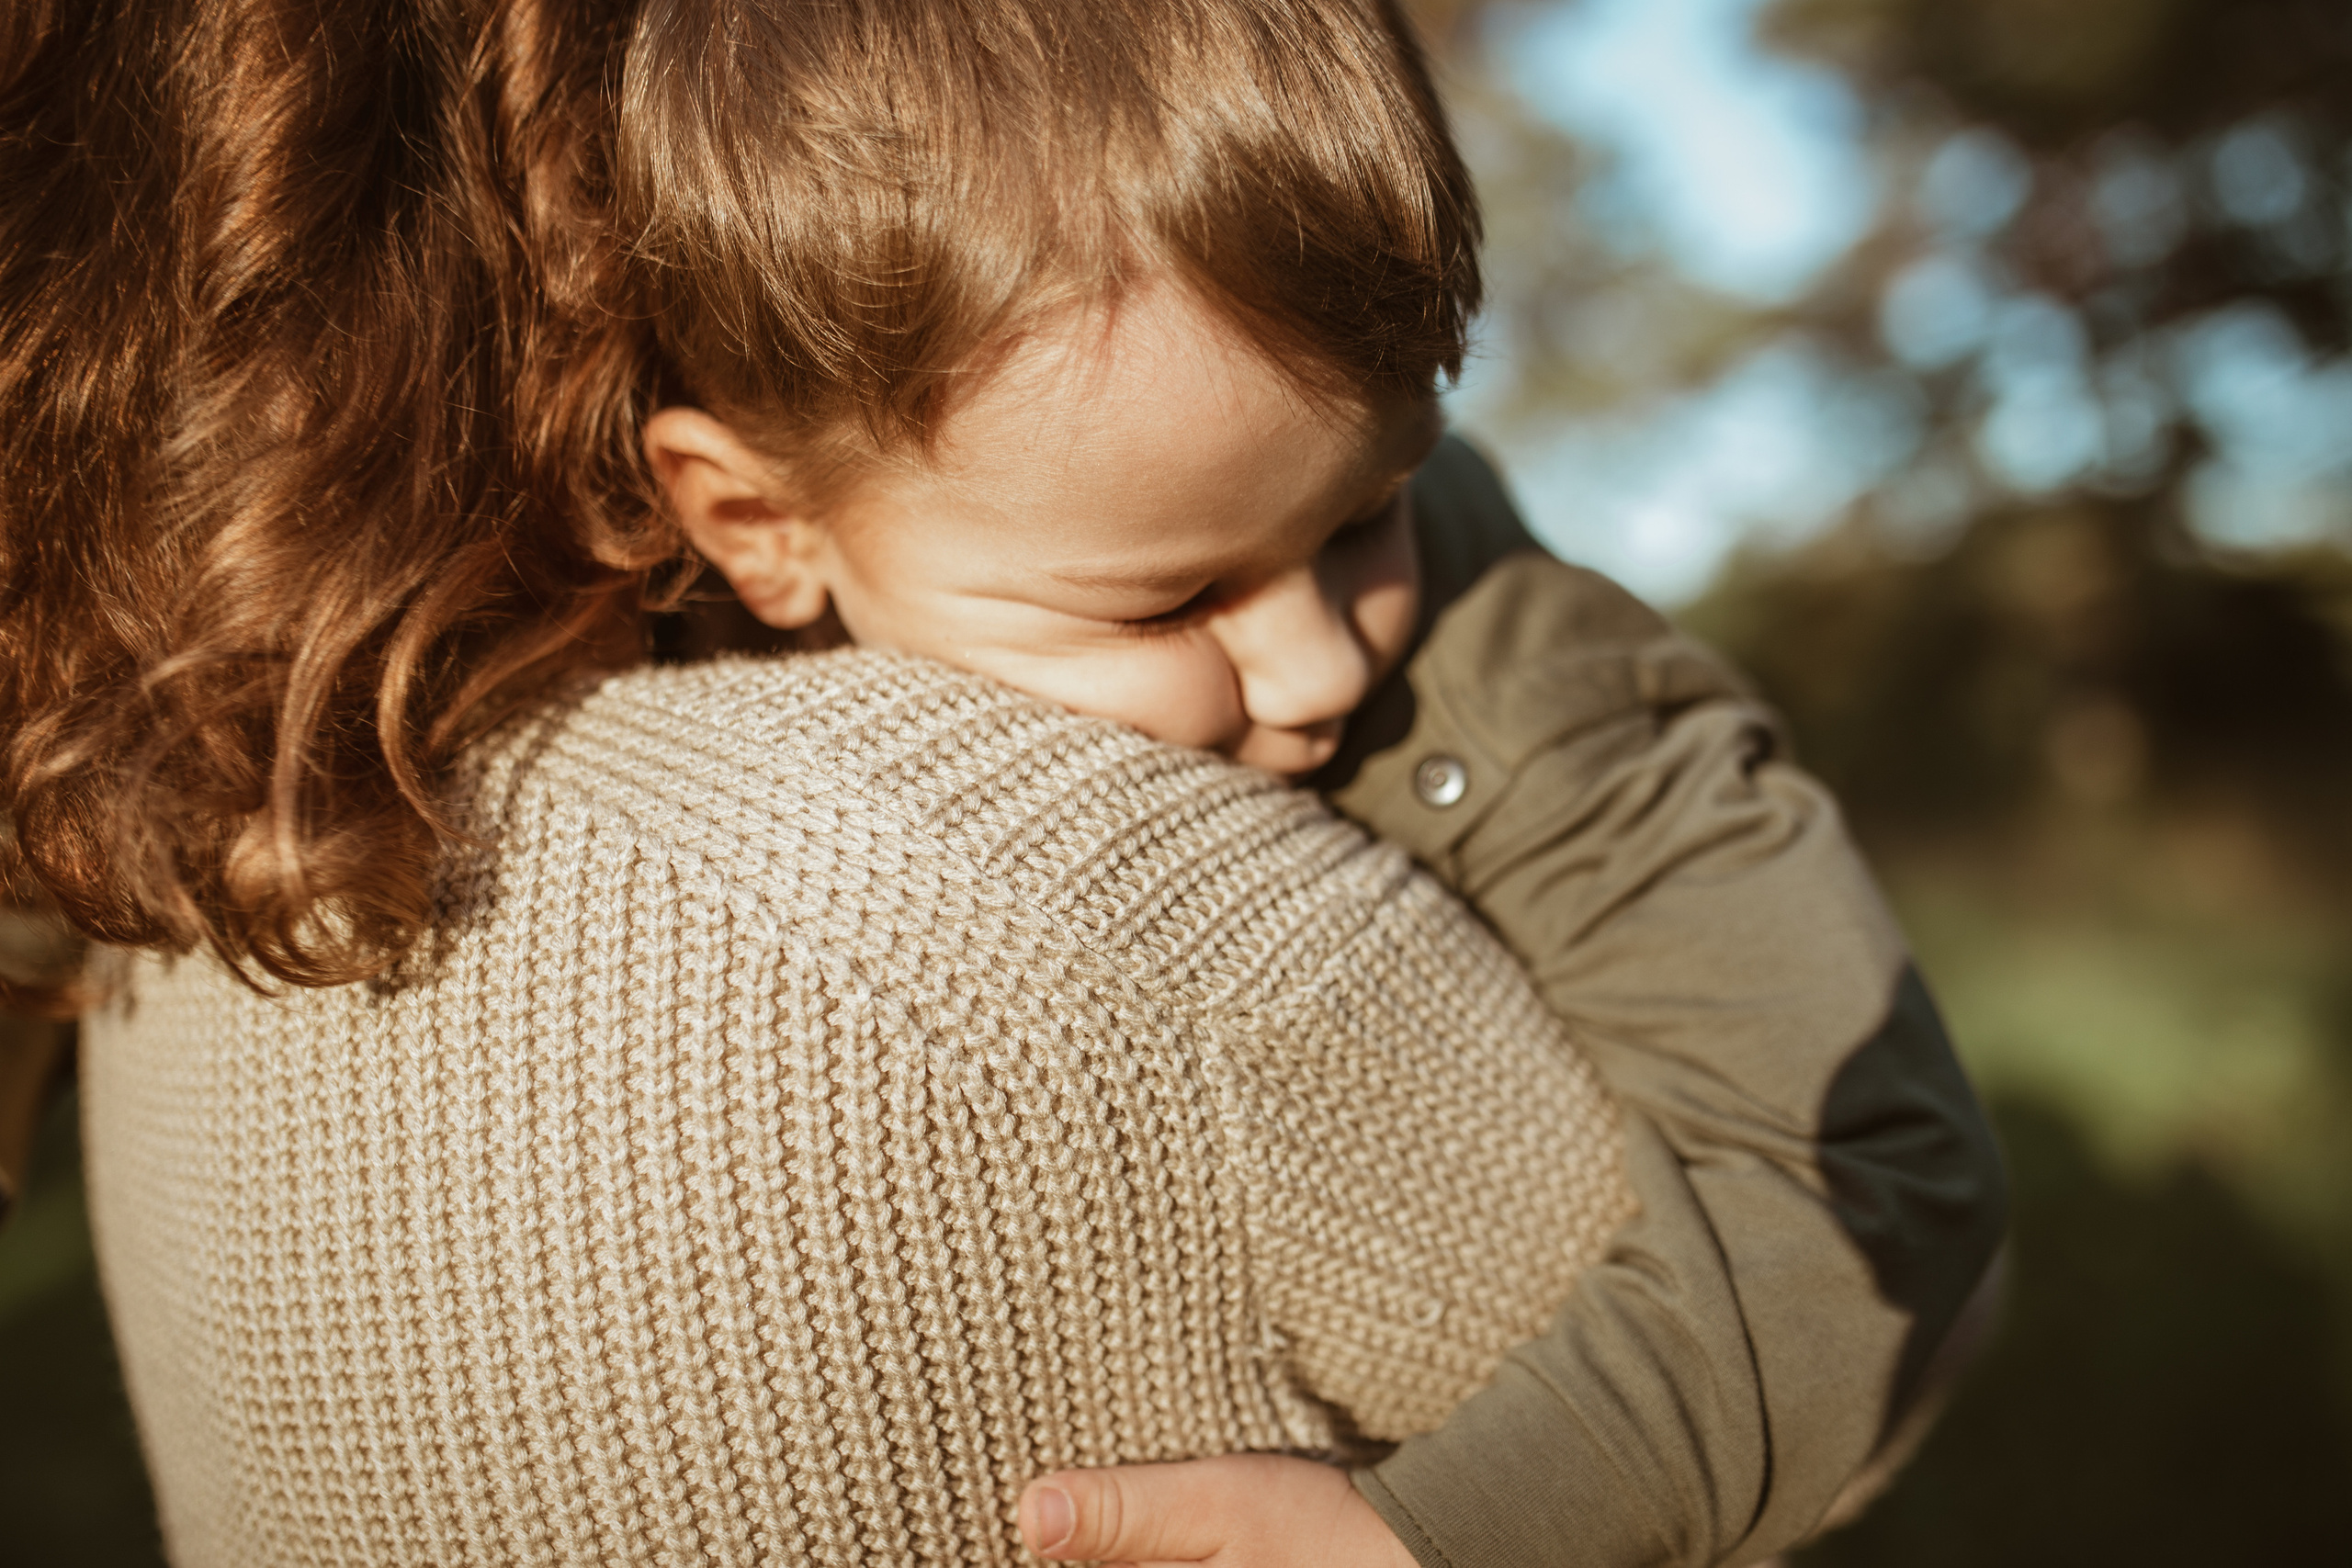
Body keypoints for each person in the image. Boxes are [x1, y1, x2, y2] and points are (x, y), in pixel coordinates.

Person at [0, 2, 2004, 1566]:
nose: (1316, 657)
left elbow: (1868, 1168)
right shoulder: (616, 613)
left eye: (1372, 512)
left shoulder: (1524, 664)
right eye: (1176, 598)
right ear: (749, 521)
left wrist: (1452, 1523)